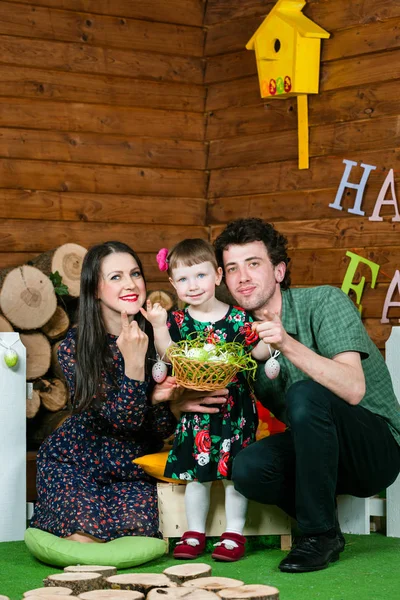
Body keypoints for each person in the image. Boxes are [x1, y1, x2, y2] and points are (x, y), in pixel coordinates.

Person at [213, 217, 400, 573]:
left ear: (279, 271)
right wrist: (178, 398)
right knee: (248, 467)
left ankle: (315, 534)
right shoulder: (238, 339)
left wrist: (285, 342)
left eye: (253, 264)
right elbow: (219, 403)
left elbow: (353, 388)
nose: (243, 277)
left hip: (373, 450)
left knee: (305, 394)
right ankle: (327, 529)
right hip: (316, 459)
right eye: (232, 268)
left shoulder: (324, 302)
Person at [30, 241, 180, 543]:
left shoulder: (162, 335)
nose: (130, 284)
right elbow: (120, 420)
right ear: (95, 290)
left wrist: (161, 401)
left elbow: (161, 427)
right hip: (73, 463)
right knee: (85, 536)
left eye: (135, 274)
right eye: (116, 277)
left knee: (137, 534)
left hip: (132, 468)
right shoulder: (75, 346)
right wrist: (136, 366)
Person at [142, 238, 270, 561]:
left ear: (216, 275)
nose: (193, 286)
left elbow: (258, 351)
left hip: (235, 410)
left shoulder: (239, 319)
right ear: (172, 284)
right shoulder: (179, 322)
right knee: (196, 479)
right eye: (183, 280)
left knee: (234, 477)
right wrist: (158, 326)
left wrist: (270, 337)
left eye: (200, 276)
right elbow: (169, 356)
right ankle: (194, 531)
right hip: (197, 415)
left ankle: (234, 534)